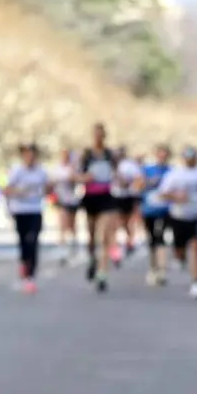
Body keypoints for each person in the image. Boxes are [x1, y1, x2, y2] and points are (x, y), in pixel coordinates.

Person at [158, 145, 197, 299]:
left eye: (193, 157)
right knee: (180, 250)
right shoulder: (175, 175)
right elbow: (162, 194)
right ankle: (180, 258)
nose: (191, 160)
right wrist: (176, 197)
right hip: (180, 216)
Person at [78, 123, 121, 292]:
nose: (98, 138)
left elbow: (117, 174)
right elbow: (77, 175)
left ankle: (102, 273)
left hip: (106, 198)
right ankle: (92, 259)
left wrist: (120, 179)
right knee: (91, 236)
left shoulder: (110, 155)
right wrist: (85, 178)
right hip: (90, 198)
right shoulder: (86, 155)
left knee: (103, 237)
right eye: (95, 134)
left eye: (101, 135)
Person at [4, 143, 49, 294]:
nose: (30, 158)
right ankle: (24, 263)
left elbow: (47, 187)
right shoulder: (17, 171)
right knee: (23, 242)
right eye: (27, 155)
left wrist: (47, 189)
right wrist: (19, 191)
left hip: (35, 209)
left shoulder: (41, 171)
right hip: (20, 210)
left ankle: (31, 275)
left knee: (33, 240)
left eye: (32, 155)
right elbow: (7, 189)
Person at [134, 144, 172, 286]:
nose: (162, 157)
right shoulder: (148, 169)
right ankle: (153, 266)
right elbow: (137, 186)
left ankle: (162, 269)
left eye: (165, 155)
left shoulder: (171, 171)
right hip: (149, 208)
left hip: (165, 209)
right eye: (160, 154)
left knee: (161, 237)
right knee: (152, 239)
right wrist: (150, 182)